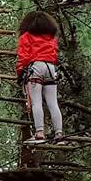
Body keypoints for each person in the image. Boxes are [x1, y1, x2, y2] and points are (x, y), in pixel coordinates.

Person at [16, 10, 63, 144]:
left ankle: (39, 133)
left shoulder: (26, 36)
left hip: (35, 67)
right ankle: (59, 134)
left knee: (36, 102)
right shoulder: (50, 38)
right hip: (51, 67)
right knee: (53, 103)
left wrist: (20, 73)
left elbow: (23, 57)